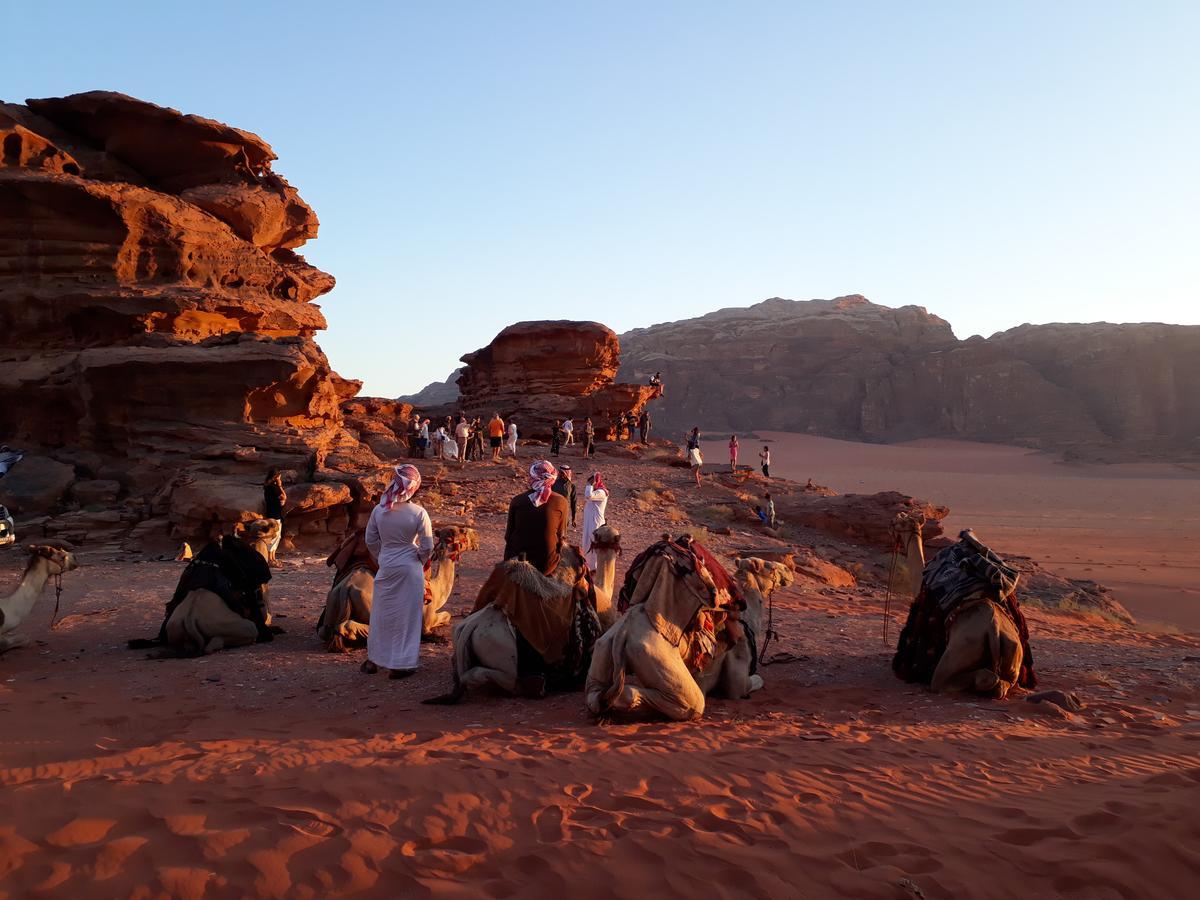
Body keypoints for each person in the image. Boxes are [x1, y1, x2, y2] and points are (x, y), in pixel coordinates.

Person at [363, 465, 435, 679]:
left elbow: (370, 541)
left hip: (387, 565)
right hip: (410, 568)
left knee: (381, 614)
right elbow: (428, 546)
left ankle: (374, 659)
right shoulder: (419, 513)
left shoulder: (379, 509)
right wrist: (418, 560)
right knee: (408, 616)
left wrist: (383, 556)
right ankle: (401, 664)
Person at [504, 461, 570, 575]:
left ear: (532, 477)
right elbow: (561, 535)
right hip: (547, 565)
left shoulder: (517, 500)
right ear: (552, 478)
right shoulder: (561, 502)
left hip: (518, 560)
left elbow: (508, 535)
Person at [581, 471, 609, 571]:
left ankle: (595, 568)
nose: (591, 482)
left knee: (594, 543)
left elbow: (588, 496)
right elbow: (587, 495)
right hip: (589, 521)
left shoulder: (601, 492)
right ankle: (587, 566)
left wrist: (589, 485)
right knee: (587, 543)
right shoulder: (595, 491)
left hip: (596, 522)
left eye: (593, 480)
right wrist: (589, 485)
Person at [261, 470, 286, 567]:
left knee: (275, 537)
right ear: (276, 477)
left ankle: (272, 558)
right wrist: (280, 485)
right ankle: (271, 559)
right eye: (279, 477)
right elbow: (284, 497)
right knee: (274, 537)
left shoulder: (267, 487)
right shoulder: (274, 487)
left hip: (271, 514)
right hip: (275, 515)